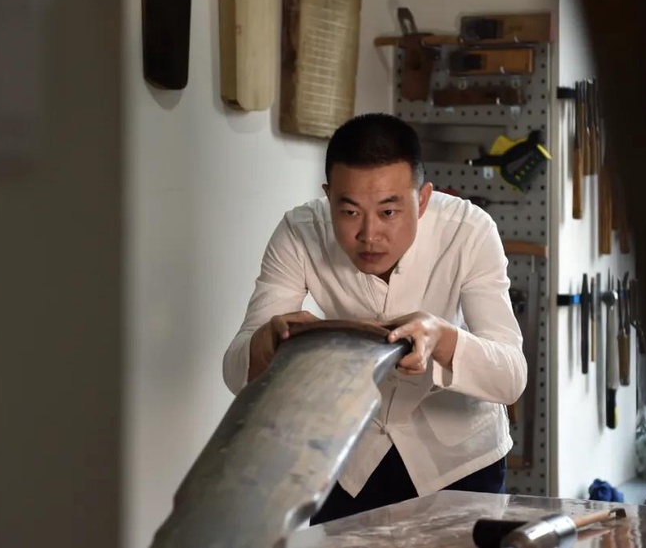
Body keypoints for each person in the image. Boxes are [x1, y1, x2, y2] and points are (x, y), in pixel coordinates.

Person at [222, 113, 527, 524]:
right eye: (349, 212)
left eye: (388, 212)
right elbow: (235, 371)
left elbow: (511, 378)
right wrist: (270, 342)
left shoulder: (469, 230)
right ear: (329, 197)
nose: (369, 234)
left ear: (422, 200)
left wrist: (442, 338)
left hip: (460, 461)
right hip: (346, 458)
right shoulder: (298, 231)